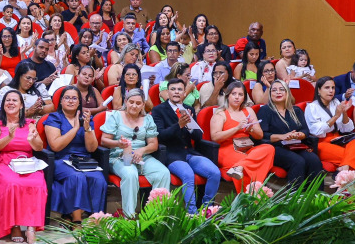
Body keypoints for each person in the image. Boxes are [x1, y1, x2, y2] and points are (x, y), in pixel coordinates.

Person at [152, 79, 222, 214]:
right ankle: (192, 213)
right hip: (172, 154)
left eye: (179, 89)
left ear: (184, 93)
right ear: (167, 92)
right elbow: (161, 136)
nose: (176, 92)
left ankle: (207, 209)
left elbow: (198, 137)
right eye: (173, 89)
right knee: (188, 175)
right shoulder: (158, 110)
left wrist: (190, 126)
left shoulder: (188, 109)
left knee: (214, 172)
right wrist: (178, 125)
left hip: (189, 152)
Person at [0, 91, 47, 243]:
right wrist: (8, 138)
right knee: (12, 183)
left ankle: (31, 228)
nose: (11, 103)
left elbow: (39, 147)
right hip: (3, 162)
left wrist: (33, 140)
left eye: (15, 100)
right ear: (3, 104)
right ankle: (14, 225)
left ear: (21, 105)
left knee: (37, 183)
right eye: (8, 100)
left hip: (26, 162)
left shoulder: (30, 123)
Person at [99, 88, 169, 215]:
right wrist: (118, 144)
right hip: (119, 156)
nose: (134, 105)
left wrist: (142, 150)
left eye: (138, 103)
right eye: (131, 102)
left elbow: (154, 144)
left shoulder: (148, 119)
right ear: (126, 101)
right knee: (130, 174)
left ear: (143, 104)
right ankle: (129, 217)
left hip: (142, 157)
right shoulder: (116, 116)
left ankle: (156, 216)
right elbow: (104, 140)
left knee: (163, 173)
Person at [43, 86, 106, 222]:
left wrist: (87, 128)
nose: (70, 101)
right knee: (77, 177)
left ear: (79, 103)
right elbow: (56, 146)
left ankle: (95, 221)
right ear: (61, 101)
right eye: (67, 98)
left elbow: (91, 149)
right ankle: (76, 220)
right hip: (61, 160)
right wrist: (76, 128)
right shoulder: (54, 118)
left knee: (99, 179)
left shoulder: (87, 118)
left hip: (84, 160)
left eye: (74, 98)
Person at [210, 81, 275, 189]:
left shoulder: (249, 111)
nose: (237, 97)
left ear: (244, 97)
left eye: (240, 95)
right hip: (227, 149)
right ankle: (248, 198)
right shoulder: (220, 113)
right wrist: (237, 128)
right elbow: (215, 137)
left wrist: (251, 130)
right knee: (251, 165)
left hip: (247, 147)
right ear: (228, 96)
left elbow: (259, 136)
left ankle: (239, 167)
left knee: (269, 148)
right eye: (234, 94)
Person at [257, 80, 322, 187]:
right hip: (275, 147)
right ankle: (294, 199)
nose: (278, 92)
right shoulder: (265, 111)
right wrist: (282, 137)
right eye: (274, 90)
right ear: (270, 94)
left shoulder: (296, 110)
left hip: (295, 145)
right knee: (298, 161)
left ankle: (316, 197)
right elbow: (262, 136)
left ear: (287, 93)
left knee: (314, 160)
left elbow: (305, 130)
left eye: (281, 89)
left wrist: (299, 135)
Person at [304, 77, 355, 182]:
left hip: (338, 139)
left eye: (333, 88)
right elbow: (316, 131)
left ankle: (342, 170)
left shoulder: (335, 103)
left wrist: (344, 113)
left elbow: (347, 128)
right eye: (327, 88)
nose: (331, 91)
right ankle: (354, 190)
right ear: (319, 90)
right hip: (321, 143)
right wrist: (335, 116)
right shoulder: (312, 107)